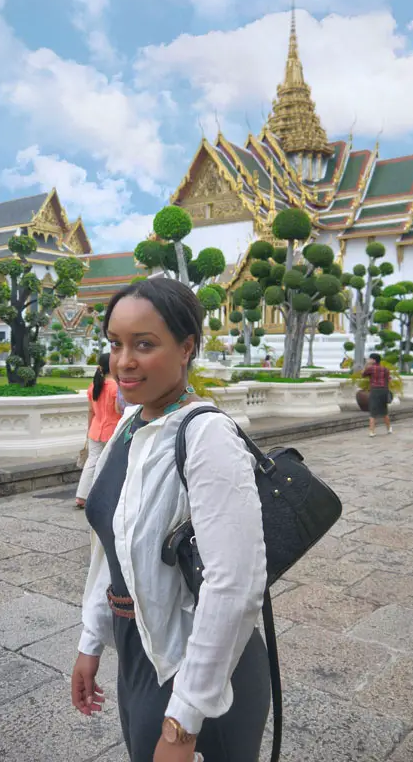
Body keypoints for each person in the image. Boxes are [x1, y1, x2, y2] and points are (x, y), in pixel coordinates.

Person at [71, 278, 270, 762]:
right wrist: (91, 639)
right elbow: (111, 549)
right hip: (139, 650)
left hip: (202, 668)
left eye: (144, 344)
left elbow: (235, 584)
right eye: (115, 344)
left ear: (186, 348)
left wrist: (183, 722)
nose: (123, 361)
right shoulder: (128, 426)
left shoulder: (207, 436)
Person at [74, 353, 121, 508]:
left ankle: (82, 496)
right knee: (107, 465)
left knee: (92, 462)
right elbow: (118, 410)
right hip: (112, 430)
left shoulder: (94, 386)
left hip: (95, 429)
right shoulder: (115, 387)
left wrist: (88, 432)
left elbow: (91, 411)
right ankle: (99, 498)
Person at [363, 353, 392, 438]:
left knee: (373, 410)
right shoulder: (385, 369)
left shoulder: (371, 368)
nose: (369, 360)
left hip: (375, 390)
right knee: (384, 410)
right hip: (384, 390)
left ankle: (372, 431)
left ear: (373, 360)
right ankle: (389, 428)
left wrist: (366, 365)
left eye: (370, 359)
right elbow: (388, 380)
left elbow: (363, 374)